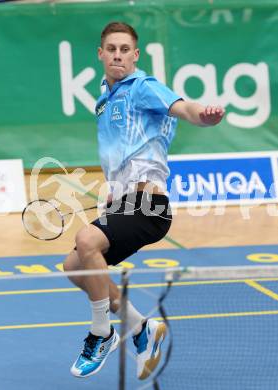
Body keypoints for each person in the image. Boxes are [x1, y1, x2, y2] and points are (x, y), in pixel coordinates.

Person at [63, 21, 225, 380]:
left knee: (87, 240)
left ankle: (102, 333)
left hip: (149, 206)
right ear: (101, 54)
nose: (118, 55)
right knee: (76, 267)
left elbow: (184, 108)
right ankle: (141, 328)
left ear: (135, 55)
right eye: (112, 49)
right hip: (123, 204)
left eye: (125, 49)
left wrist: (205, 116)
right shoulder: (104, 99)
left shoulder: (143, 87)